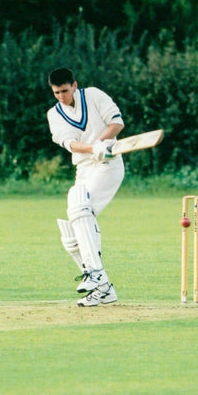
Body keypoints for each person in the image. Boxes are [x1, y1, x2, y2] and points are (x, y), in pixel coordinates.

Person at [46, 67, 124, 307]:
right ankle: (103, 287)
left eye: (65, 91)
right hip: (84, 167)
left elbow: (117, 123)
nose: (61, 96)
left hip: (108, 165)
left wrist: (102, 145)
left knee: (80, 206)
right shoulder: (54, 114)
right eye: (56, 92)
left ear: (75, 85)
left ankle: (96, 274)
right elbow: (70, 143)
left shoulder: (93, 95)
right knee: (71, 229)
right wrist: (93, 148)